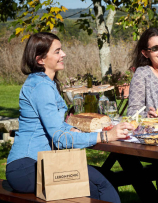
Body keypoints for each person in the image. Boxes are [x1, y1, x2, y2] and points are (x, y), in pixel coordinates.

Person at [6, 32, 133, 203]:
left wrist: (72, 129)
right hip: (28, 167)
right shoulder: (41, 87)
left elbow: (54, 125)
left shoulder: (44, 83)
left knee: (105, 177)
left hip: (40, 162)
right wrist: (106, 136)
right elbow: (59, 138)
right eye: (57, 51)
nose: (63, 54)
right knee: (102, 184)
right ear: (40, 59)